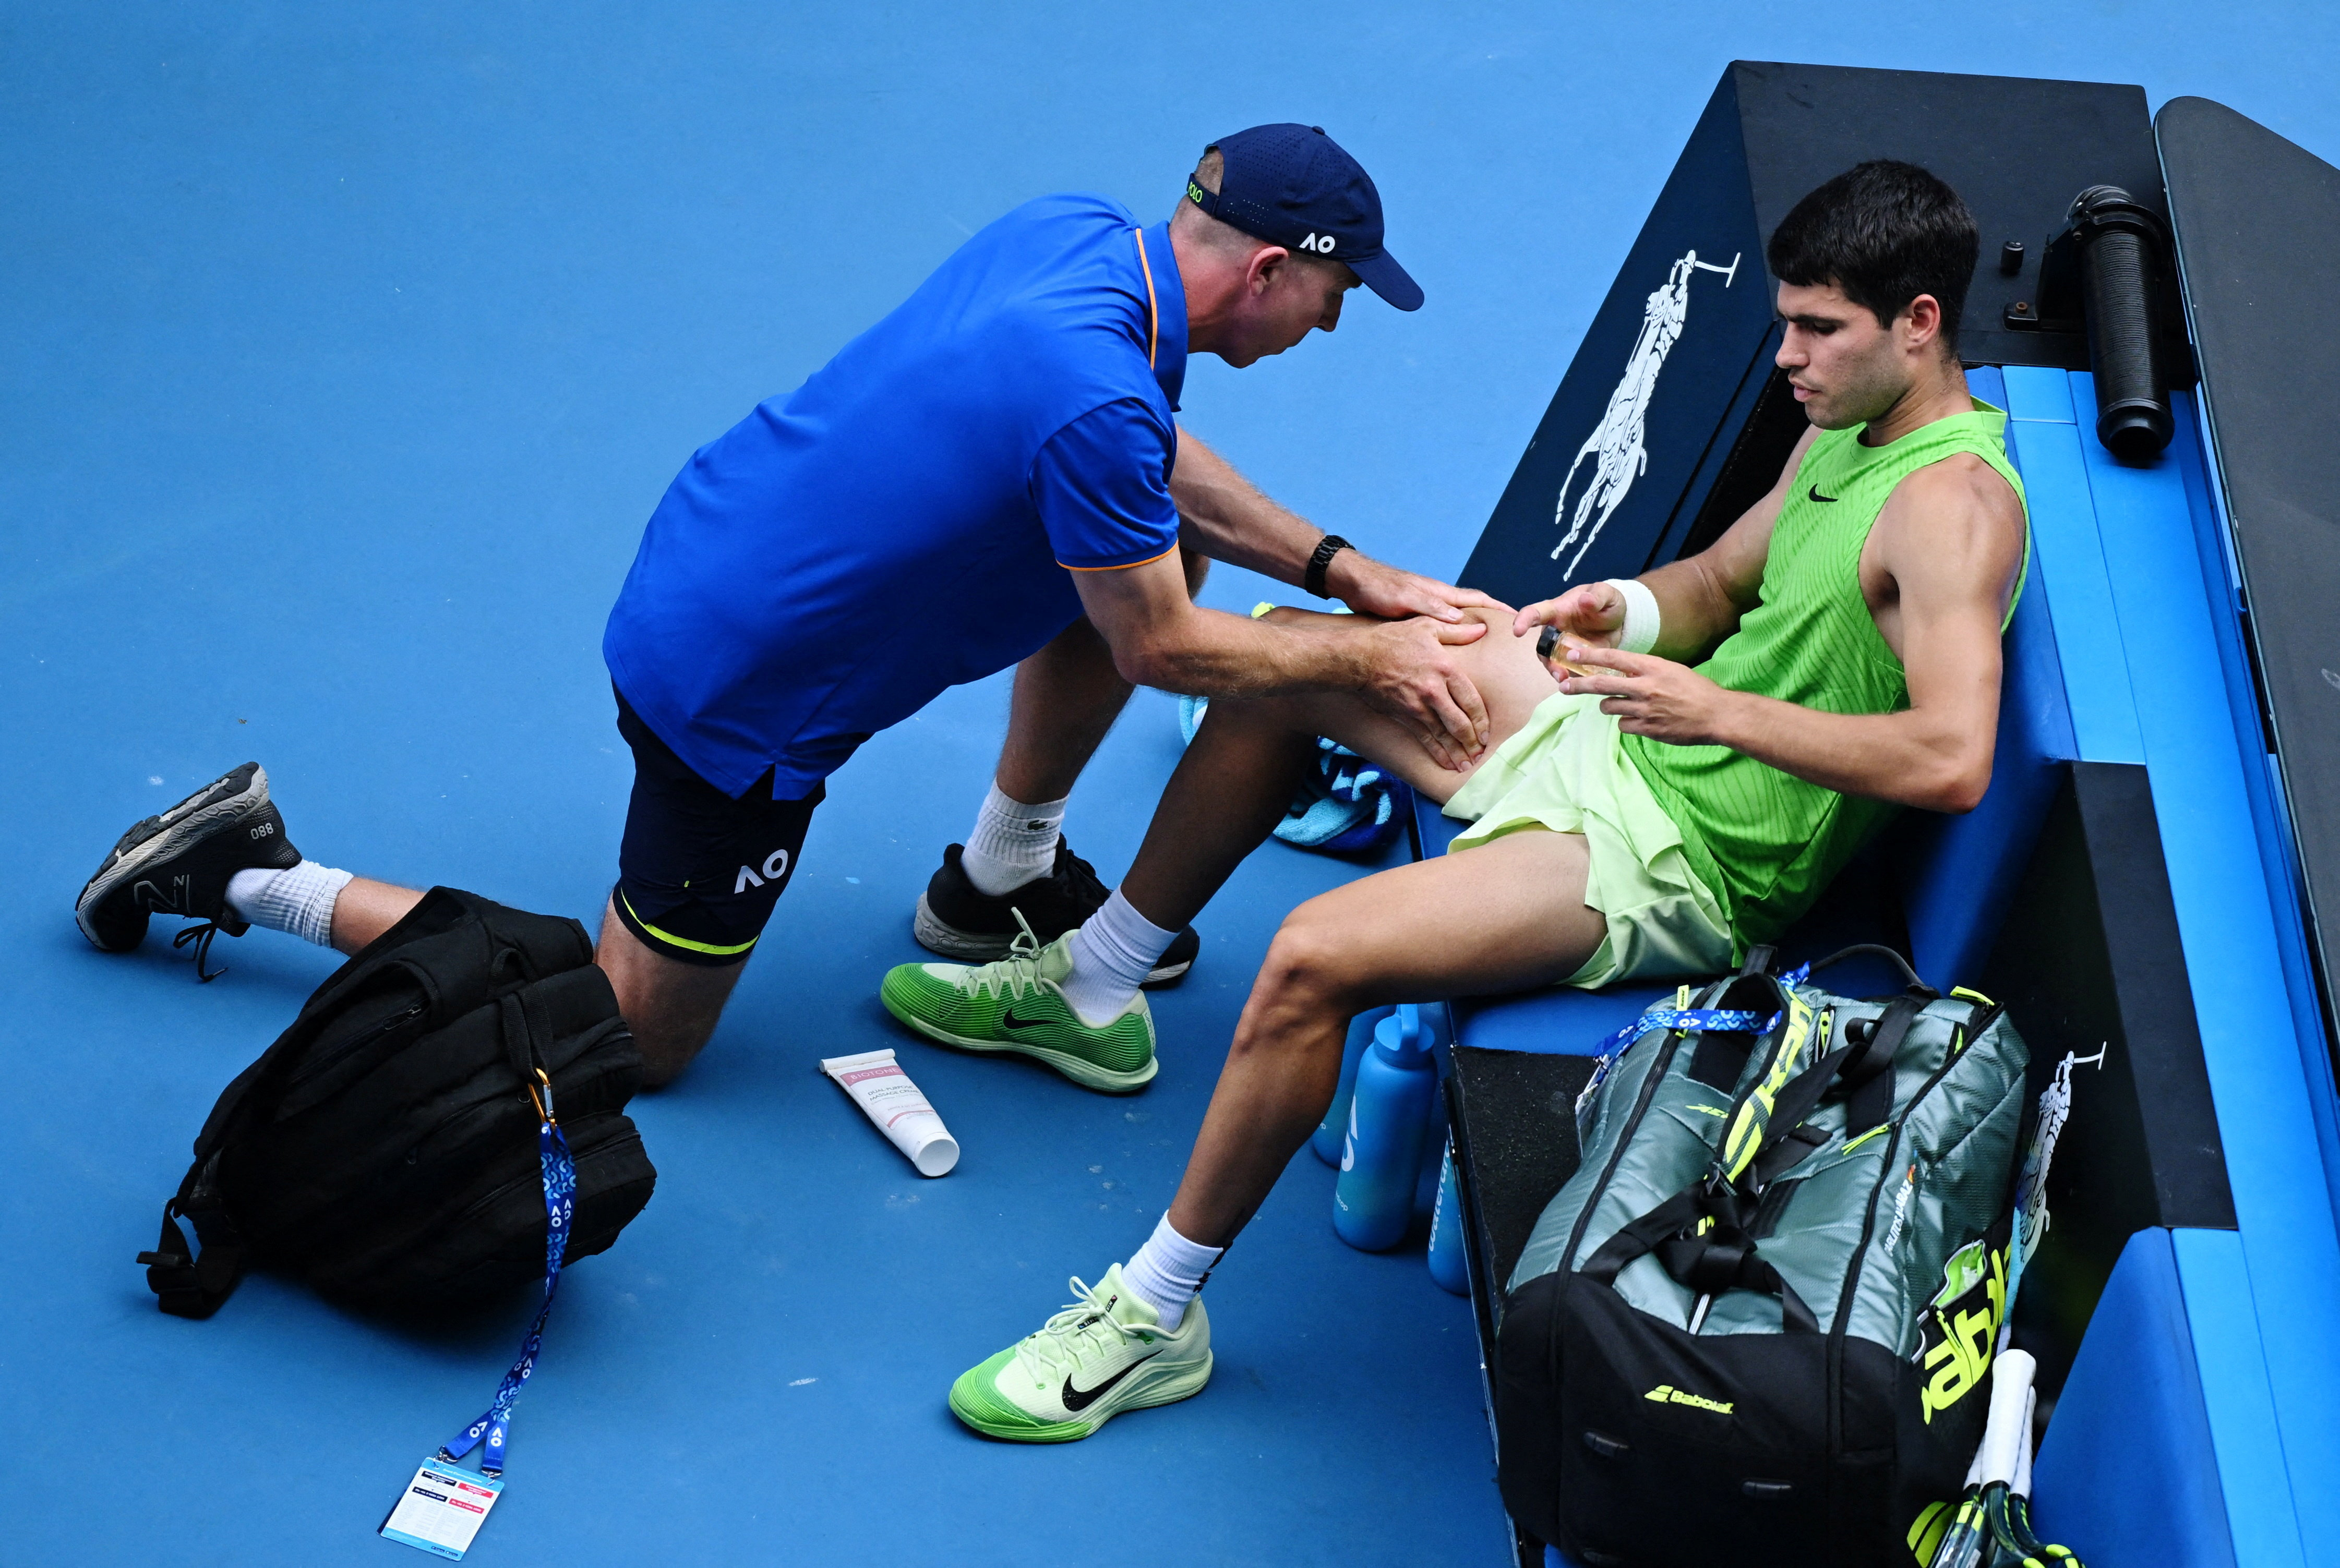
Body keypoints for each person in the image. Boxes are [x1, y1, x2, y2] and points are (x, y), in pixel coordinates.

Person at [923, 160, 2032, 1441]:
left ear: (1918, 322)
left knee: (1308, 958)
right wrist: (1609, 612)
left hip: (1683, 859)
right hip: (1617, 738)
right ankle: (1096, 990)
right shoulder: (1842, 420)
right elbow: (1723, 583)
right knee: (1293, 650)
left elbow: (1951, 758)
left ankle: (1152, 1319)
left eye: (1815, 330)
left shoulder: (1953, 507)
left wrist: (1711, 712)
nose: (1783, 353)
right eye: (1783, 320)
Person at [72, 124, 1498, 1096]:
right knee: (636, 1034)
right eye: (1328, 296)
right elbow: (1159, 648)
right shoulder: (1095, 399)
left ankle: (993, 877)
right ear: (1265, 268)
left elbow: (1149, 480)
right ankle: (251, 875)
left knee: (1154, 554)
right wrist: (1379, 651)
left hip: (716, 546)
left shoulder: (1077, 245)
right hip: (737, 694)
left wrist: (1334, 564)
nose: (1325, 324)